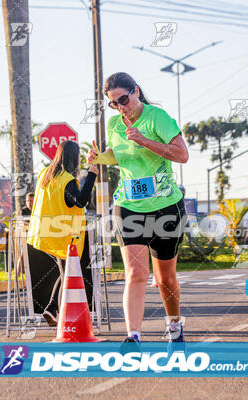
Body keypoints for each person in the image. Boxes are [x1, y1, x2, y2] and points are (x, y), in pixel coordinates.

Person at [89, 72, 189, 350]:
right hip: (129, 206)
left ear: (135, 91)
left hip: (166, 207)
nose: (121, 107)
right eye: (113, 103)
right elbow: (121, 157)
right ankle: (133, 335)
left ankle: (174, 325)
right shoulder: (114, 124)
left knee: (164, 277)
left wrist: (144, 140)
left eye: (124, 99)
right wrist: (101, 158)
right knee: (135, 273)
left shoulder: (158, 117)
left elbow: (182, 155)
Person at [27, 141, 98, 326]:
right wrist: (92, 175)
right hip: (63, 235)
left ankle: (52, 309)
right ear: (73, 158)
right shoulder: (66, 180)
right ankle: (63, 317)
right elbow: (81, 202)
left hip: (43, 233)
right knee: (68, 274)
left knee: (66, 272)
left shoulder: (45, 174)